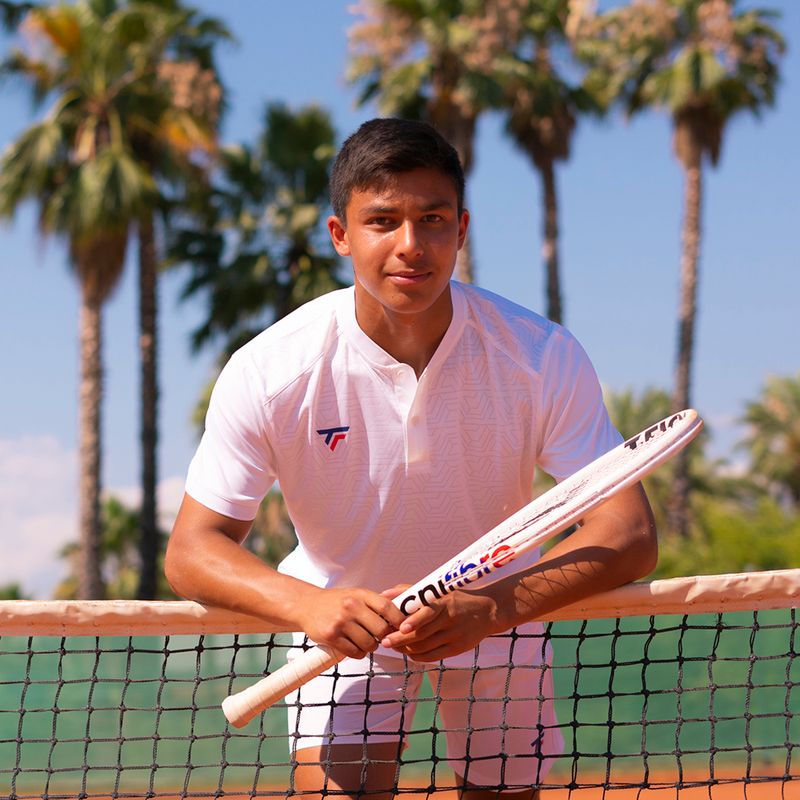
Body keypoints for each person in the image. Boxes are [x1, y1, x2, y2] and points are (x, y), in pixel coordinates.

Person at [165, 117, 656, 800]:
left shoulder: (539, 355)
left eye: (431, 219)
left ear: (460, 228)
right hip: (341, 626)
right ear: (341, 235)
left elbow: (629, 533)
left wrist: (492, 606)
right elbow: (192, 550)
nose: (410, 245)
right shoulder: (272, 370)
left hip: (503, 618)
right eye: (383, 220)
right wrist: (313, 607)